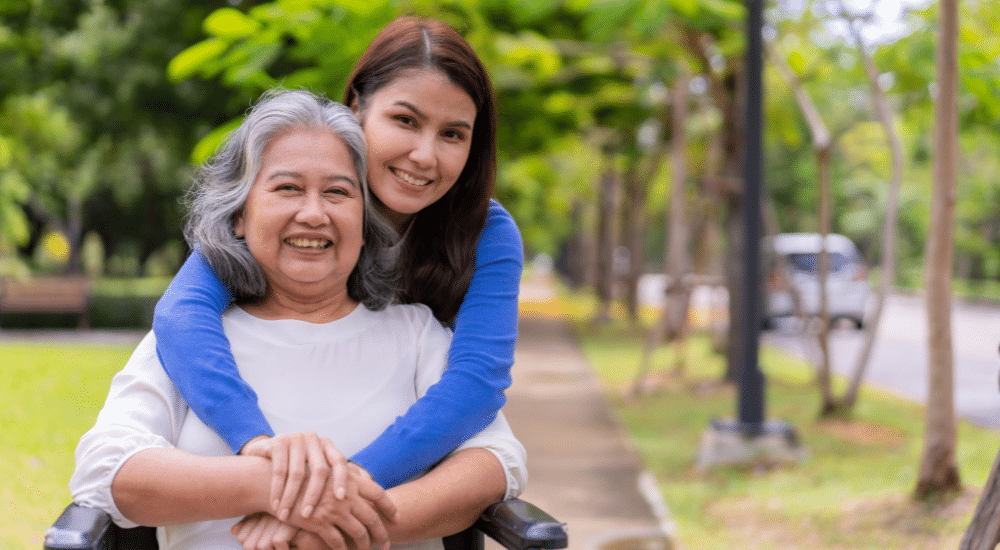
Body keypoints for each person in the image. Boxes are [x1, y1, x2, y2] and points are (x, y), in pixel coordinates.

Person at [70, 89, 526, 550]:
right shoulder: (191, 341)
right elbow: (104, 468)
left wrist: (338, 526)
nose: (313, 214)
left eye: (337, 192)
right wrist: (271, 482)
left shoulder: (416, 334)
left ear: (365, 222)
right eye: (287, 188)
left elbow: (494, 460)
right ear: (239, 216)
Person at [152, 14, 522, 512]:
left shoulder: (488, 235)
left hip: (404, 484)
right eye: (405, 121)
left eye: (453, 134)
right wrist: (255, 440)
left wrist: (337, 490)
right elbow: (181, 314)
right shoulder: (300, 215)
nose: (424, 155)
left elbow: (475, 384)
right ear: (356, 109)